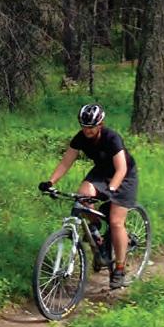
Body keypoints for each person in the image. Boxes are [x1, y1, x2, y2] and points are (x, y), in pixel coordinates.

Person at [40, 103, 138, 289]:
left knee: (116, 222)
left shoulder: (112, 138)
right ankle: (97, 235)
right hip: (101, 172)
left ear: (100, 124)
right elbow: (66, 162)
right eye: (84, 126)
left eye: (91, 127)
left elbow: (121, 168)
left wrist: (111, 189)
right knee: (83, 196)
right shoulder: (80, 138)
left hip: (124, 176)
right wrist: (50, 182)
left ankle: (119, 269)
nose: (87, 131)